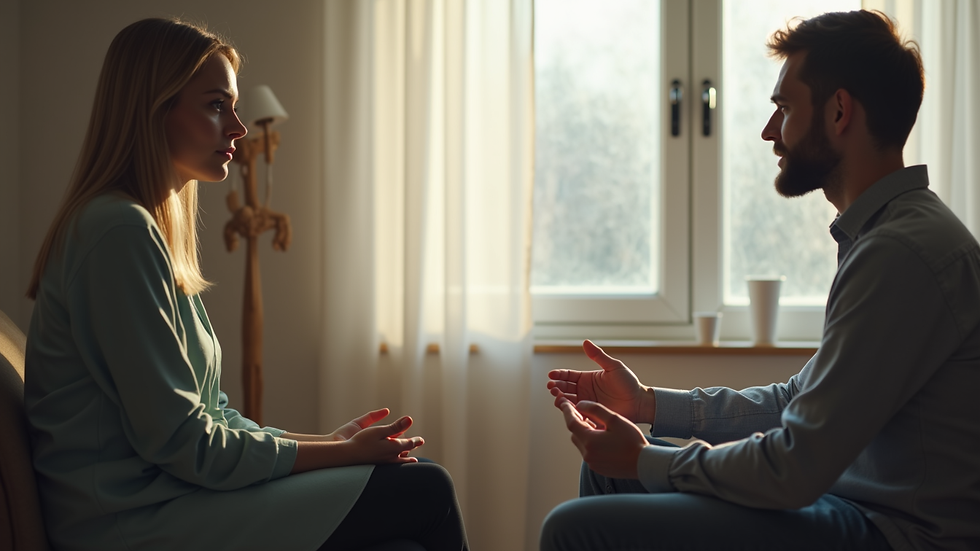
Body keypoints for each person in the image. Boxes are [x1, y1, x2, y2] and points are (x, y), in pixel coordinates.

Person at [542, 10, 980, 551]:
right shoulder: (885, 236)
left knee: (571, 525)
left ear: (840, 111)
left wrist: (648, 458)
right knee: (610, 474)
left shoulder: (903, 253)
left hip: (890, 531)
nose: (770, 131)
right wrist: (648, 405)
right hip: (848, 505)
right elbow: (797, 399)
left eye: (784, 107)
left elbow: (795, 465)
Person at [24, 18, 468, 551]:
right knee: (427, 488)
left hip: (168, 498)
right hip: (131, 522)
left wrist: (327, 442)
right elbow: (191, 446)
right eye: (216, 105)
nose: (238, 127)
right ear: (154, 109)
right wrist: (342, 454)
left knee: (409, 509)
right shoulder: (116, 232)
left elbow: (211, 415)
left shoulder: (139, 229)